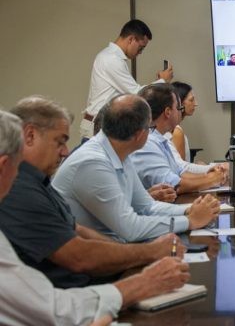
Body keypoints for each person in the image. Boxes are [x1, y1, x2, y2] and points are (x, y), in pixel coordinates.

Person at [0, 109, 190, 325]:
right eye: (59, 142)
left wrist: (135, 259)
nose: (65, 152)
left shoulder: (38, 181)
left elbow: (77, 230)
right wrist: (144, 277)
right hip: (74, 295)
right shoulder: (24, 188)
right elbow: (54, 306)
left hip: (81, 292)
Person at [52, 94, 220, 242]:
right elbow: (130, 228)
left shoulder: (119, 152)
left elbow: (147, 207)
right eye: (150, 128)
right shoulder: (93, 163)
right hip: (97, 258)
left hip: (114, 246)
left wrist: (190, 209)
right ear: (140, 134)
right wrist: (190, 221)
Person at [80, 19, 173, 140]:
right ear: (131, 39)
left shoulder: (110, 56)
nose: (140, 53)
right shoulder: (112, 59)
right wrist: (162, 81)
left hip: (100, 125)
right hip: (98, 127)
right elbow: (137, 94)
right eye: (141, 48)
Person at [132, 83, 227, 193]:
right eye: (179, 108)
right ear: (168, 112)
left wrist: (209, 173)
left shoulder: (160, 139)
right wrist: (212, 179)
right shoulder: (147, 142)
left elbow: (181, 172)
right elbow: (173, 185)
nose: (180, 112)